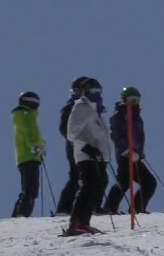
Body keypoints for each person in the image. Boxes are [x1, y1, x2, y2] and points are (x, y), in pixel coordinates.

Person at [64, 78, 111, 235]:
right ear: (85, 92)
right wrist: (87, 147)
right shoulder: (81, 107)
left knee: (95, 187)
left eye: (99, 91)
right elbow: (71, 133)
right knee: (88, 186)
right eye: (93, 91)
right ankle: (76, 223)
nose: (97, 95)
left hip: (95, 155)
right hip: (85, 153)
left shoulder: (95, 110)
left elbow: (101, 136)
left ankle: (84, 222)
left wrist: (102, 155)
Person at [103, 86, 157, 215]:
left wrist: (139, 152)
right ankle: (110, 208)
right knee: (126, 181)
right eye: (131, 99)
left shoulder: (137, 117)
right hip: (125, 155)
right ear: (124, 100)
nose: (135, 102)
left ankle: (136, 208)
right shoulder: (120, 115)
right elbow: (117, 135)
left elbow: (140, 137)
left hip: (136, 156)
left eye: (137, 100)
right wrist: (126, 150)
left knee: (147, 182)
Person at [55, 77, 88, 216]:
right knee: (76, 175)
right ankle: (64, 208)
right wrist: (74, 139)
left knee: (88, 176)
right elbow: (63, 128)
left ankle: (87, 206)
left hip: (87, 145)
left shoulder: (89, 107)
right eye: (79, 90)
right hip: (74, 145)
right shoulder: (71, 107)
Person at [11, 91, 45, 218]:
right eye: (34, 102)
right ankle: (22, 213)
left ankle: (22, 213)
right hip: (28, 155)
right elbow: (30, 133)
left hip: (27, 156)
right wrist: (37, 146)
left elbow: (33, 135)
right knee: (30, 188)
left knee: (30, 188)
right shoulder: (26, 115)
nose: (36, 105)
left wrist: (41, 144)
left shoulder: (25, 115)